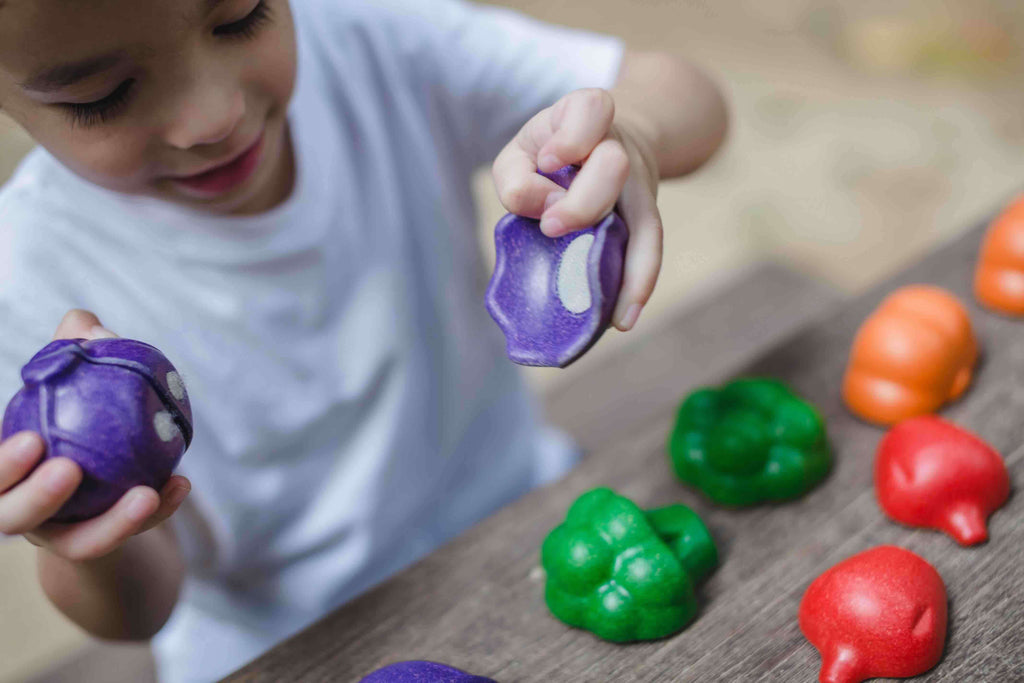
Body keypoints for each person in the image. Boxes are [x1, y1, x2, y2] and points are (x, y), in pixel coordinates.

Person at [0, 0, 727, 680]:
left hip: (530, 522)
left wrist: (634, 131)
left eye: (240, 18)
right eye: (101, 95)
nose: (212, 116)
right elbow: (137, 614)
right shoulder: (25, 278)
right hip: (288, 647)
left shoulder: (371, 37)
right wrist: (91, 534)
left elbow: (691, 100)